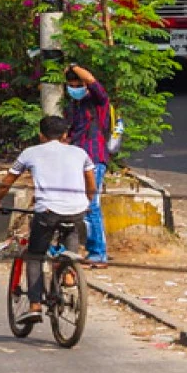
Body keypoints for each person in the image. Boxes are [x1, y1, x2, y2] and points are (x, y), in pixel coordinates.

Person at [0, 116, 98, 324]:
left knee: (34, 255)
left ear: (41, 135)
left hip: (47, 211)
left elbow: (6, 183)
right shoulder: (80, 153)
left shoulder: (31, 153)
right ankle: (69, 272)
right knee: (70, 230)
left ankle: (35, 305)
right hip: (77, 209)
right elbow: (91, 185)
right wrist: (86, 202)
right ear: (65, 135)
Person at [63, 64, 113, 268]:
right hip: (75, 160)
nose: (74, 88)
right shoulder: (72, 107)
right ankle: (79, 249)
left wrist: (72, 66)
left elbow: (93, 82)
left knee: (92, 205)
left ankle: (98, 253)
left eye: (78, 84)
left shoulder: (98, 101)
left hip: (94, 158)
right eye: (70, 84)